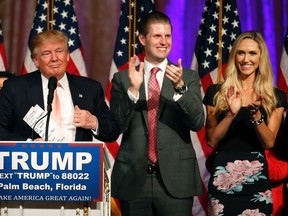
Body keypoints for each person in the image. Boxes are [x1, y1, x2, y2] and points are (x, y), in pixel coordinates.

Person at [110, 11, 205, 216]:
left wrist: (180, 88)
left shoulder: (187, 77)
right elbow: (115, 126)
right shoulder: (123, 78)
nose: (164, 42)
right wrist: (133, 91)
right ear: (143, 39)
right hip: (134, 180)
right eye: (157, 36)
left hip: (175, 180)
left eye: (168, 36)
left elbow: (198, 122)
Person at [203, 31, 287, 215]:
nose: (246, 59)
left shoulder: (275, 97)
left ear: (261, 57)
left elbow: (269, 142)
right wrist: (231, 115)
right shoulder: (216, 93)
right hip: (223, 178)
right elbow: (211, 140)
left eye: (252, 53)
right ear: (234, 56)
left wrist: (256, 116)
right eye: (241, 53)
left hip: (257, 181)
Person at [0, 30, 120, 142]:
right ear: (36, 61)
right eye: (47, 53)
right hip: (32, 160)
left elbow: (113, 130)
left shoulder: (90, 88)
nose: (54, 58)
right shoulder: (15, 88)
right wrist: (29, 144)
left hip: (77, 161)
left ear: (67, 55)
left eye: (59, 51)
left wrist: (94, 123)